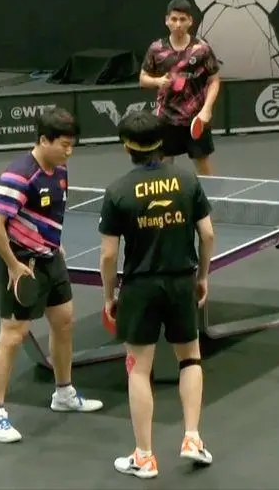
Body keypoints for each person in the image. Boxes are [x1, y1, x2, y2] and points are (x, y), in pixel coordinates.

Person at [98, 110, 215, 478]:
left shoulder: (117, 191)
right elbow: (208, 234)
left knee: (138, 369)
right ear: (161, 142)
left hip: (140, 286)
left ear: (126, 147)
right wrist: (202, 275)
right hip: (181, 281)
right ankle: (192, 438)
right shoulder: (187, 179)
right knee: (190, 359)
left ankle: (145, 457)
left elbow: (108, 255)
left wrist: (109, 295)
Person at [0, 107, 103, 444]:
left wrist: (54, 244)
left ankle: (63, 393)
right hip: (21, 264)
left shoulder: (60, 170)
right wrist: (12, 264)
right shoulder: (20, 175)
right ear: (43, 140)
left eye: (72, 145)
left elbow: (48, 213)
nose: (69, 151)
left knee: (64, 321)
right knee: (13, 335)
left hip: (51, 259)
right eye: (64, 144)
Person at [139, 0, 222, 176]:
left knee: (204, 167)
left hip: (196, 118)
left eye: (182, 19)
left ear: (190, 21)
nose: (178, 24)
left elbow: (214, 80)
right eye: (174, 19)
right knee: (164, 169)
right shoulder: (156, 49)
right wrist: (157, 81)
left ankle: (210, 194)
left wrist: (207, 110)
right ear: (167, 20)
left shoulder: (202, 49)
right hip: (166, 118)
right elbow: (143, 79)